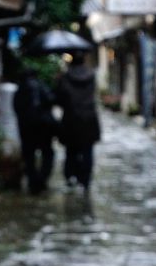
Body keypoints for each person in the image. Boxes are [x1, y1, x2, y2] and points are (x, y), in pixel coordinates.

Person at [54, 51, 101, 191]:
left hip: (71, 119)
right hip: (89, 119)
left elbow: (59, 99)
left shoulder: (65, 77)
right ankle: (85, 180)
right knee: (88, 151)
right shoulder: (91, 75)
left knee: (70, 150)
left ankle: (70, 176)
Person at [13, 67, 56, 195]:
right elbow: (51, 100)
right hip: (43, 127)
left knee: (29, 155)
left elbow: (16, 109)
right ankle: (42, 178)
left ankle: (33, 181)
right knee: (47, 153)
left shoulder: (20, 90)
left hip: (26, 128)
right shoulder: (41, 86)